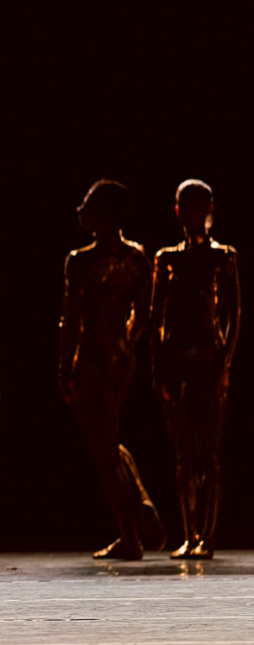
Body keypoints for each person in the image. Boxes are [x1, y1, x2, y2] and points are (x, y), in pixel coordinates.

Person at [59, 179, 165, 560]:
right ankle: (139, 502)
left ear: (103, 217)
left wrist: (63, 367)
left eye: (86, 206)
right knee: (111, 438)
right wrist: (126, 347)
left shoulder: (80, 260)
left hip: (91, 360)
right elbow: (145, 314)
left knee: (103, 452)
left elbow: (70, 320)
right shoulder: (138, 257)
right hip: (120, 358)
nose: (79, 211)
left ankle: (131, 532)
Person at [151, 179, 240, 559]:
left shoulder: (224, 257)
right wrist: (159, 370)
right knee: (185, 453)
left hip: (210, 358)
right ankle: (189, 533)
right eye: (185, 206)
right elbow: (157, 318)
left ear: (210, 210)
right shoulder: (166, 259)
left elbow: (234, 313)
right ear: (177, 212)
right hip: (177, 362)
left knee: (209, 452)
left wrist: (224, 361)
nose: (191, 214)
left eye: (198, 206)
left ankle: (208, 533)